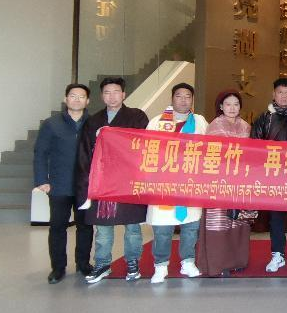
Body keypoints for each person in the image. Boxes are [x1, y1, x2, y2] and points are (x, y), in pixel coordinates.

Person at [76, 77, 149, 284]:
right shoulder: (93, 121)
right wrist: (86, 182)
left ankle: (132, 262)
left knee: (132, 227)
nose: (112, 96)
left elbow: (144, 145)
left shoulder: (136, 116)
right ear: (102, 96)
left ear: (123, 94)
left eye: (116, 92)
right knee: (103, 228)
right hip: (102, 181)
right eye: (107, 92)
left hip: (128, 180)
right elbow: (84, 153)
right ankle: (102, 263)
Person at [145, 83, 207, 283]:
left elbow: (211, 148)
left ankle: (187, 261)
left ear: (192, 100)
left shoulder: (200, 122)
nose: (183, 100)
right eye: (179, 96)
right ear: (172, 99)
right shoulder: (157, 122)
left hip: (191, 181)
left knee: (191, 226)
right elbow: (146, 149)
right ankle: (160, 265)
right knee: (163, 228)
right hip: (164, 182)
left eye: (188, 96)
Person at [33, 83, 93, 284]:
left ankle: (83, 264)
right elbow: (40, 153)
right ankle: (58, 268)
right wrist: (42, 179)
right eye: (73, 96)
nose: (77, 99)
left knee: (85, 227)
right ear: (65, 99)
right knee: (58, 227)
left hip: (86, 186)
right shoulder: (51, 124)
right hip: (59, 185)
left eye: (81, 96)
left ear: (87, 101)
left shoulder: (93, 123)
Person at [251, 77, 287, 272]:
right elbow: (254, 147)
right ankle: (277, 254)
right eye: (280, 92)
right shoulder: (264, 118)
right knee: (276, 215)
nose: (283, 96)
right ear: (273, 94)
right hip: (273, 174)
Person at [197, 89, 255, 277]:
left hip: (241, 182)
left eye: (236, 104)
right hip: (219, 183)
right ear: (221, 106)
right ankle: (218, 263)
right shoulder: (215, 126)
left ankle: (237, 260)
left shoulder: (245, 126)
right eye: (228, 104)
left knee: (238, 222)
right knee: (219, 223)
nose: (232, 108)